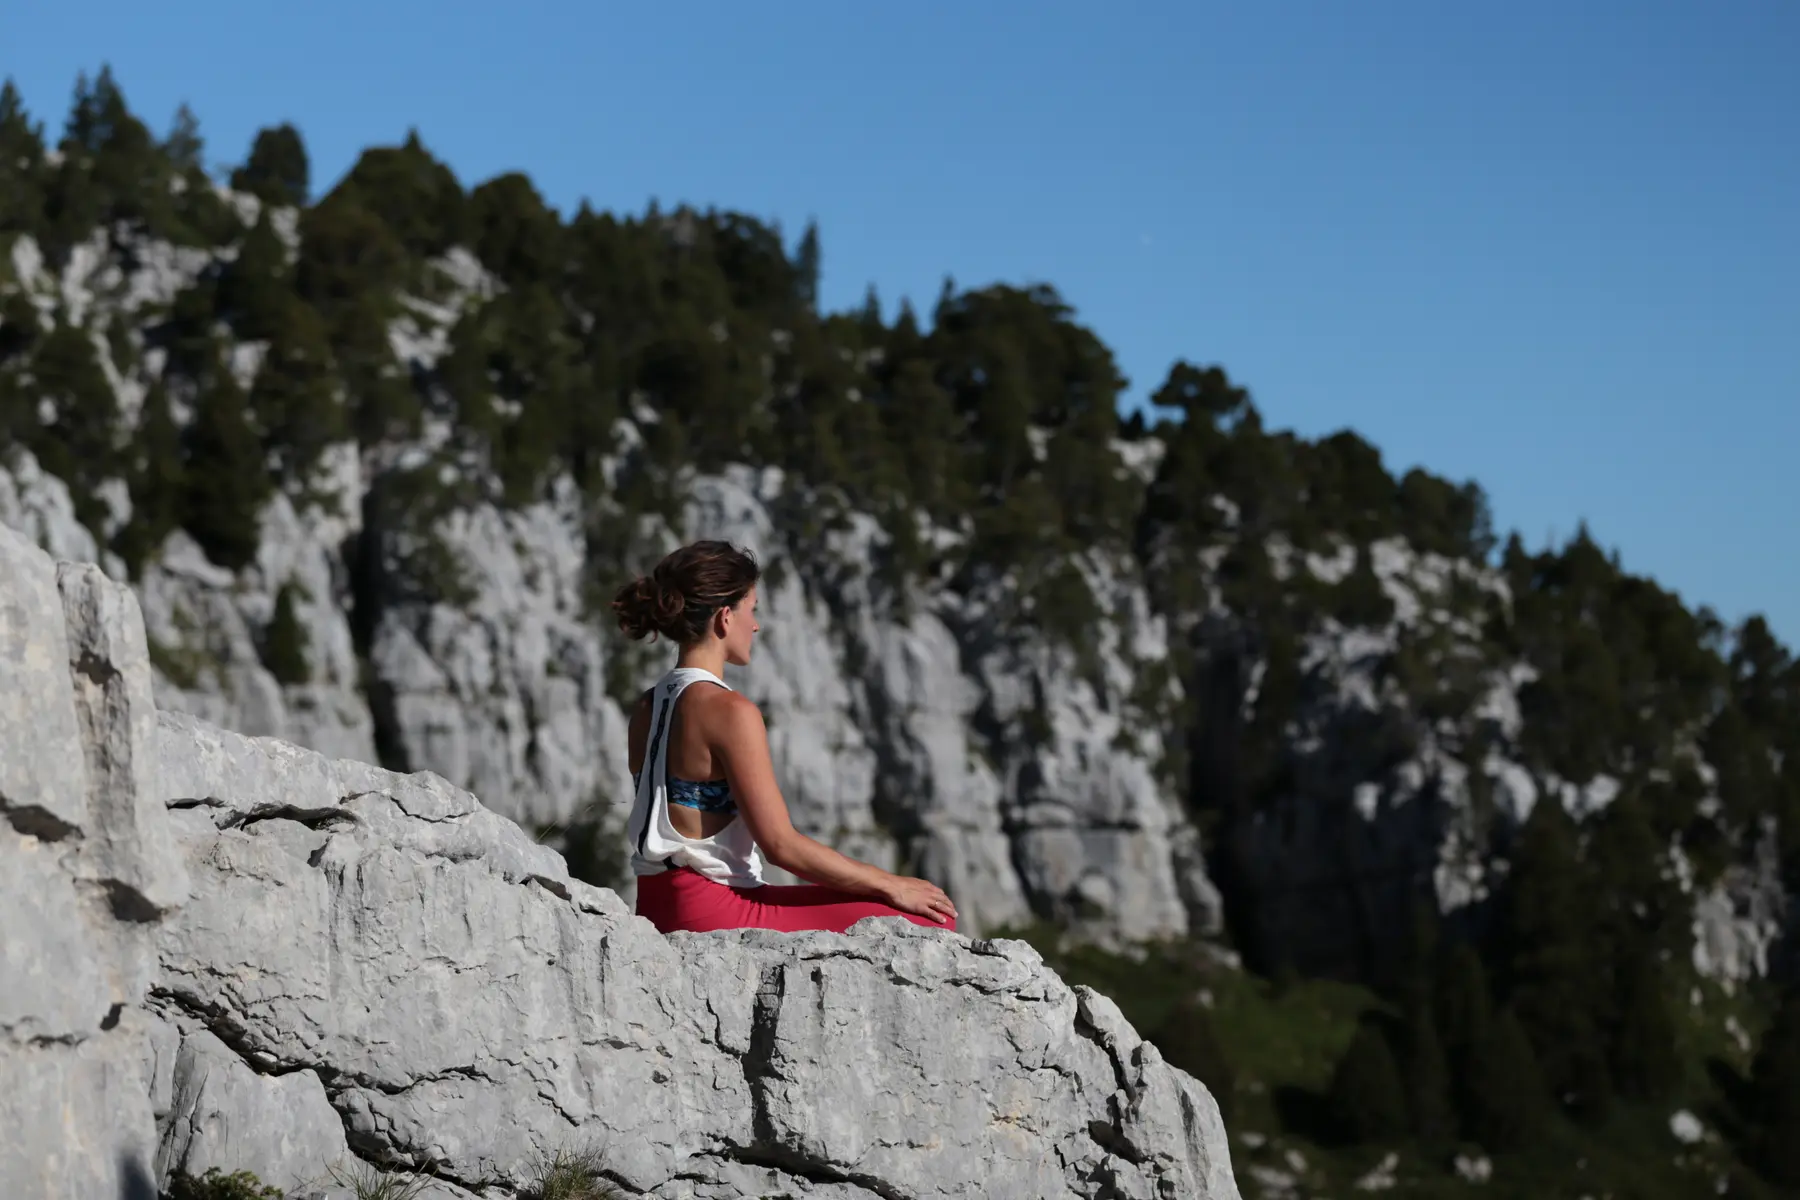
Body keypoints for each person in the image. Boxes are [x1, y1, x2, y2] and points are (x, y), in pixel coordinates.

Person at [611, 539, 959, 935]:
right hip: (714, 911)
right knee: (932, 920)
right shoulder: (729, 711)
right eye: (751, 610)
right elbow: (781, 845)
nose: (755, 624)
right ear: (725, 618)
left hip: (655, 903)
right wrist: (891, 883)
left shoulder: (646, 707)